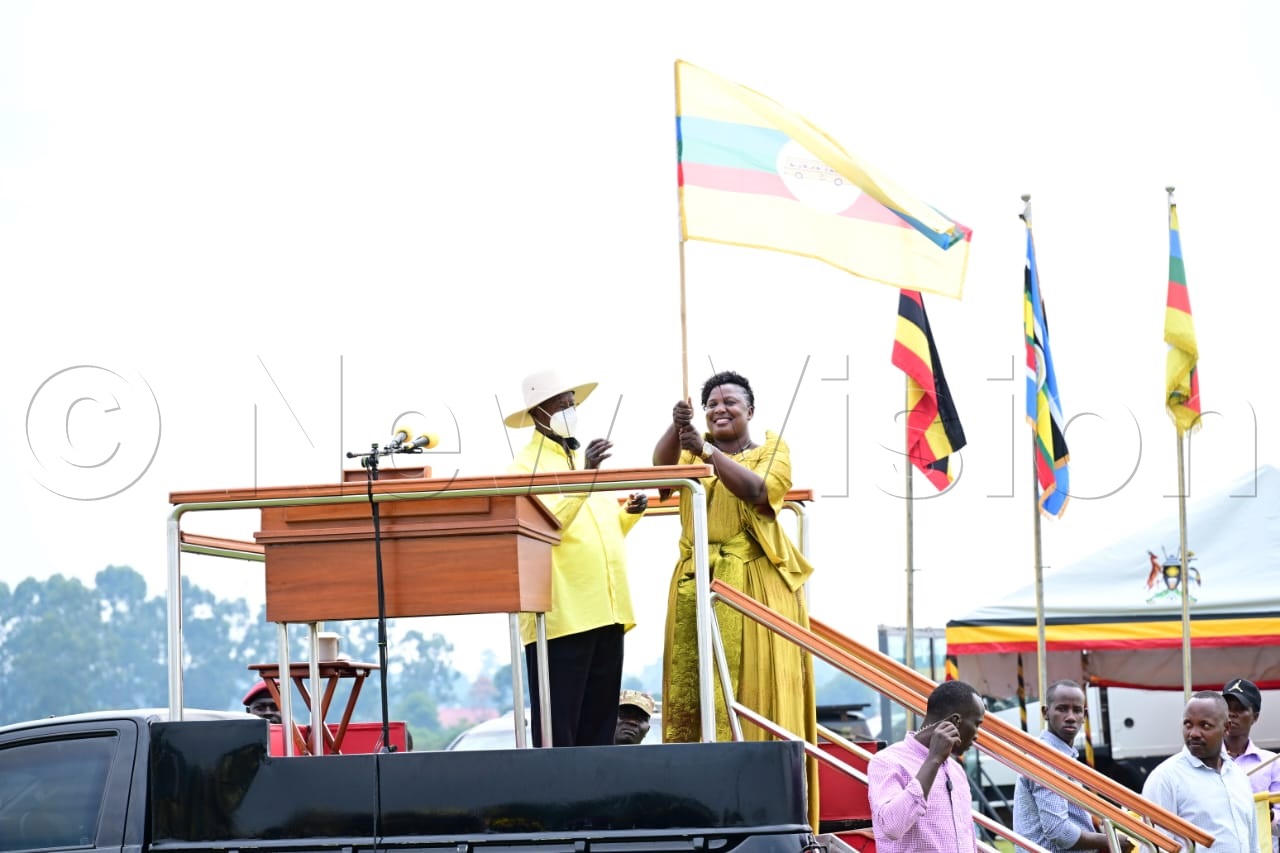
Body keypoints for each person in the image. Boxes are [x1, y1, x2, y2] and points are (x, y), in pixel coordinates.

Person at [653, 370, 819, 829]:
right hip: (695, 581)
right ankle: (691, 803)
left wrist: (705, 451)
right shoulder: (688, 446)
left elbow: (760, 491)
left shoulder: (771, 448)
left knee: (752, 689)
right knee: (694, 692)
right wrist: (677, 427)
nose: (720, 409)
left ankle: (764, 802)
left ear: (750, 410)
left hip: (752, 582)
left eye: (731, 403)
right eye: (711, 404)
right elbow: (661, 477)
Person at [505, 368, 647, 747]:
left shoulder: (576, 462)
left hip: (606, 608)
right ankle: (557, 804)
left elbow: (598, 532)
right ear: (538, 413)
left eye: (572, 404)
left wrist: (628, 515)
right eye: (562, 405)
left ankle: (594, 802)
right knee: (559, 727)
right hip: (561, 616)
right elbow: (549, 525)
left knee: (600, 724)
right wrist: (587, 475)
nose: (571, 410)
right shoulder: (526, 467)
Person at [1012, 680, 1133, 852]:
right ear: (1045, 712)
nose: (1070, 717)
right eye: (1062, 709)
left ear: (1084, 715)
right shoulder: (1047, 758)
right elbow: (1060, 832)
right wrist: (1112, 841)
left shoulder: (1064, 756)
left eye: (1076, 710)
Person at [867, 680, 985, 852]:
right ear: (955, 722)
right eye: (976, 724)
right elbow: (892, 826)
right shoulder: (887, 761)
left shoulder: (956, 770)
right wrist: (933, 760)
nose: (976, 736)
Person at [1141, 691, 1259, 852]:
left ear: (1226, 728)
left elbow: (1252, 844)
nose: (1194, 733)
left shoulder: (1238, 776)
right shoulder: (1165, 778)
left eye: (1205, 725)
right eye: (1188, 724)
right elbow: (1153, 847)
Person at [1222, 677, 1280, 852]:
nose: (1232, 714)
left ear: (1255, 717)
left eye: (1240, 709)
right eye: (1227, 708)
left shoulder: (1272, 763)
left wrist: (1269, 816)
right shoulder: (1202, 760)